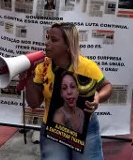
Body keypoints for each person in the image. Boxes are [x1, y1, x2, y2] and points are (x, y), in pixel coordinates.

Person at [26, 22, 113, 159]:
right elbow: (34, 103)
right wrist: (29, 80)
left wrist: (97, 99)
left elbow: (107, 87)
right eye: (47, 37)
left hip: (84, 127)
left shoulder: (86, 66)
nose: (47, 43)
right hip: (53, 127)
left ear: (68, 45)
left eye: (53, 40)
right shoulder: (42, 67)